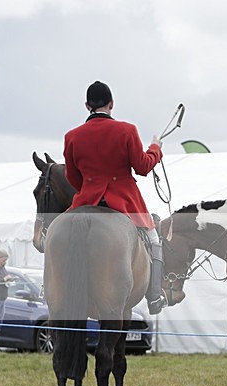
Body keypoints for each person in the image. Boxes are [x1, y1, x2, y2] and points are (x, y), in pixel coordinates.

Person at [63, 80, 167, 314]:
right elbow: (142, 167)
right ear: (111, 104)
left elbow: (72, 177)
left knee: (58, 237)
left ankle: (48, 286)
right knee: (153, 238)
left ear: (86, 105)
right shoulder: (127, 130)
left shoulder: (72, 136)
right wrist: (155, 149)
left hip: (87, 199)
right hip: (124, 200)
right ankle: (155, 295)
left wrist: (89, 189)